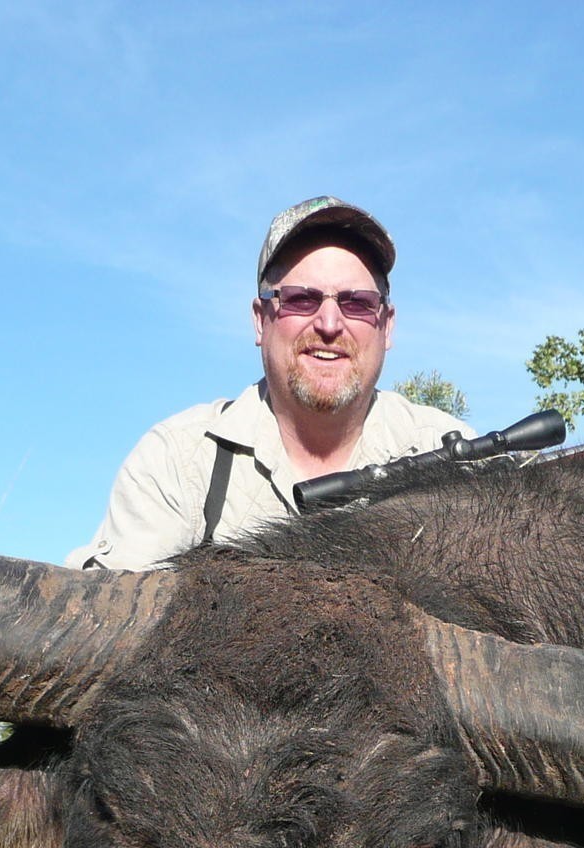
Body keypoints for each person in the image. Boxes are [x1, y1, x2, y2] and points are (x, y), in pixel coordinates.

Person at [68, 197, 467, 571]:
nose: (329, 325)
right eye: (301, 299)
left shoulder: (454, 455)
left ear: (387, 325)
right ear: (260, 320)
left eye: (356, 303)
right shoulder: (177, 462)